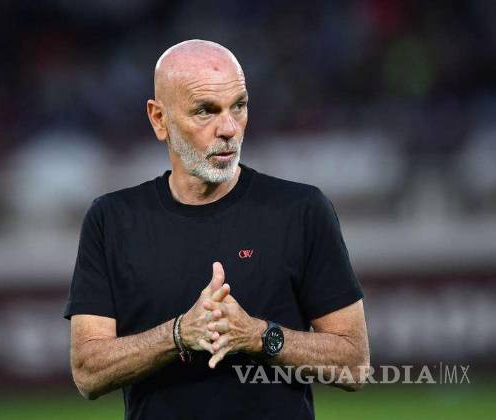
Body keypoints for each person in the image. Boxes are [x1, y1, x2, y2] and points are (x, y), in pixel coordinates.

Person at [64, 39, 369, 419]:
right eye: (205, 111)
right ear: (159, 119)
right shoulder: (112, 220)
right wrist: (179, 334)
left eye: (238, 106)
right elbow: (88, 372)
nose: (229, 128)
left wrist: (258, 336)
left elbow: (355, 362)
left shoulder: (302, 210)